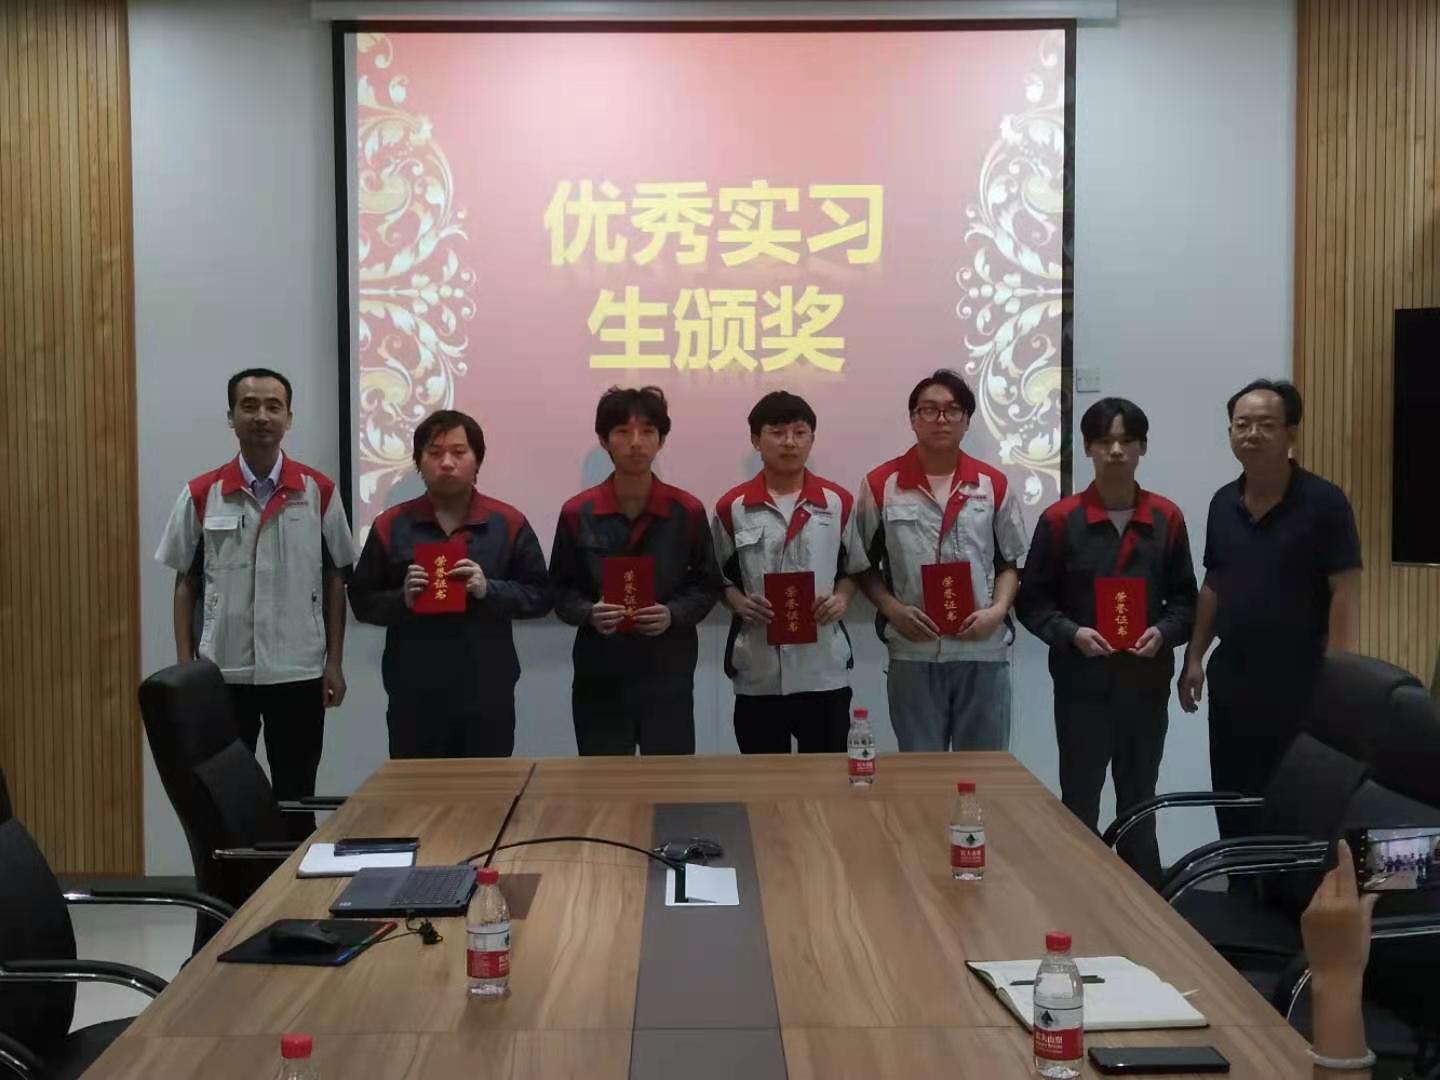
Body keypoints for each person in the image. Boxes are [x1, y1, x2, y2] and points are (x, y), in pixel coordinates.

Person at [155, 368, 357, 839]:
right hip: (223, 675)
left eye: (273, 406)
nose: (262, 416)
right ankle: (234, 886)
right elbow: (185, 582)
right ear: (231, 417)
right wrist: (187, 669)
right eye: (249, 406)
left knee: (296, 797)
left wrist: (334, 662)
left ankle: (289, 881)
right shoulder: (202, 493)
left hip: (298, 672)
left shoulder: (318, 491)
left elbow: (336, 578)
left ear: (289, 417)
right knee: (223, 801)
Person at [1016, 398, 1197, 885]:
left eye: (1126, 441)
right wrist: (1071, 633)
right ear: (1087, 448)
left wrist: (1164, 632)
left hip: (1145, 684)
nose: (1115, 450)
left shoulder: (1167, 517)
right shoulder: (1060, 519)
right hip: (1082, 687)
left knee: (1140, 799)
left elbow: (1187, 603)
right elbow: (1032, 603)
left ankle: (1144, 904)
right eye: (1104, 441)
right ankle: (1079, 898)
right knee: (1079, 800)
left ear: (1142, 447)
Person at [1179, 379, 1362, 838]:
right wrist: (1195, 656)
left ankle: (1297, 885)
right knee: (1234, 798)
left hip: (1303, 679)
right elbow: (1214, 584)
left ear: (1290, 433)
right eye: (1242, 425)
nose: (1252, 434)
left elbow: (1345, 590)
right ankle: (1241, 880)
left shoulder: (1325, 502)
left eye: (1265, 424)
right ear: (1230, 433)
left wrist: (1338, 677)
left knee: (1298, 804)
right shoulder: (1223, 502)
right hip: (1234, 679)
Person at [348, 410, 550, 758]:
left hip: (487, 688)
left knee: (487, 787)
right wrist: (402, 599)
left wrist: (488, 589)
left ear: (477, 460)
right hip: (413, 691)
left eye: (458, 452)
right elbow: (362, 601)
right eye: (434, 452)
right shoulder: (390, 524)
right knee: (417, 788)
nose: (446, 463)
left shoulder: (508, 522)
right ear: (418, 462)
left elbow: (542, 595)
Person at [854, 369, 1029, 751]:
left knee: (982, 769)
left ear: (966, 420)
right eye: (929, 410)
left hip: (983, 650)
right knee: (921, 772)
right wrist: (892, 609)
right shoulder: (880, 484)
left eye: (952, 410)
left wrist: (998, 611)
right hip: (913, 650)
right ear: (913, 419)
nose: (941, 419)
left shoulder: (992, 484)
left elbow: (1010, 563)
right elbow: (861, 565)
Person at [550, 387, 722, 755]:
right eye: (623, 432)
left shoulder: (687, 510)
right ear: (604, 440)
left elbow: (707, 584)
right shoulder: (577, 512)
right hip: (601, 668)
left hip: (668, 665)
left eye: (647, 431)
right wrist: (588, 612)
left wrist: (673, 613)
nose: (636, 442)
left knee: (670, 775)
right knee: (604, 777)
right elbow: (560, 589)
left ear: (662, 440)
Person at [712, 391, 869, 753]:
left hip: (823, 669)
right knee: (764, 782)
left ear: (812, 439)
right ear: (756, 440)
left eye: (800, 433)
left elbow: (855, 568)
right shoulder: (732, 507)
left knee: (826, 779)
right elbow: (716, 577)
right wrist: (737, 601)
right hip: (758, 672)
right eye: (777, 432)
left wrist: (842, 598)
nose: (789, 442)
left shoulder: (838, 502)